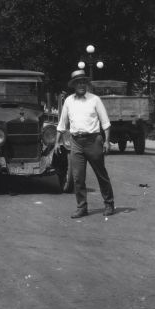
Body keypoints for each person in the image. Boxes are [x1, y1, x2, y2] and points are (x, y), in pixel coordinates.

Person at [55, 69, 115, 219]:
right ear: (74, 85)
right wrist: (57, 142)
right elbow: (62, 123)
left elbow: (105, 122)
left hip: (93, 141)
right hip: (76, 142)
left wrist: (107, 141)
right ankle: (82, 207)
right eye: (78, 83)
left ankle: (109, 204)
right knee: (78, 177)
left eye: (83, 82)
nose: (81, 85)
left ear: (86, 84)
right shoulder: (68, 101)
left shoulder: (95, 100)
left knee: (101, 174)